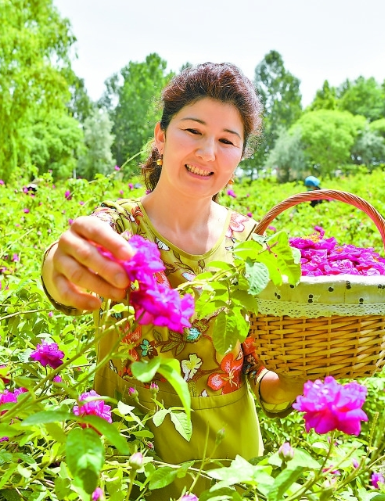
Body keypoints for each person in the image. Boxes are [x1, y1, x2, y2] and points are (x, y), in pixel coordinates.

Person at [41, 63, 303, 499]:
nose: (207, 153)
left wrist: (294, 382)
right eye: (193, 131)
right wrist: (58, 264)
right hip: (131, 457)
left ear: (240, 156)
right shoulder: (121, 225)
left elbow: (260, 373)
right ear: (161, 137)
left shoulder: (252, 243)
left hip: (229, 465)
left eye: (226, 141)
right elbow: (71, 257)